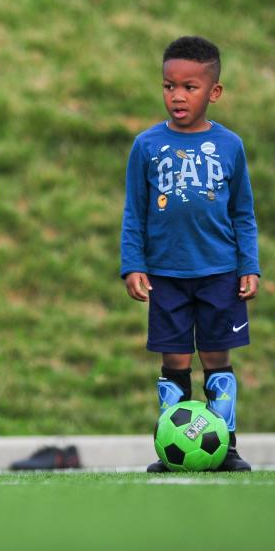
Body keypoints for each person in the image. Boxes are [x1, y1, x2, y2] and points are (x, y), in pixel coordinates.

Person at [121, 35, 258, 472]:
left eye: (189, 87)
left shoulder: (230, 146)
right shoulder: (146, 146)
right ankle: (171, 448)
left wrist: (248, 265)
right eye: (168, 86)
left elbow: (243, 213)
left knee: (217, 358)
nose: (177, 96)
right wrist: (133, 264)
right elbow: (134, 213)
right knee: (174, 360)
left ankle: (226, 447)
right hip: (167, 275)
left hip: (220, 272)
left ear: (213, 92)